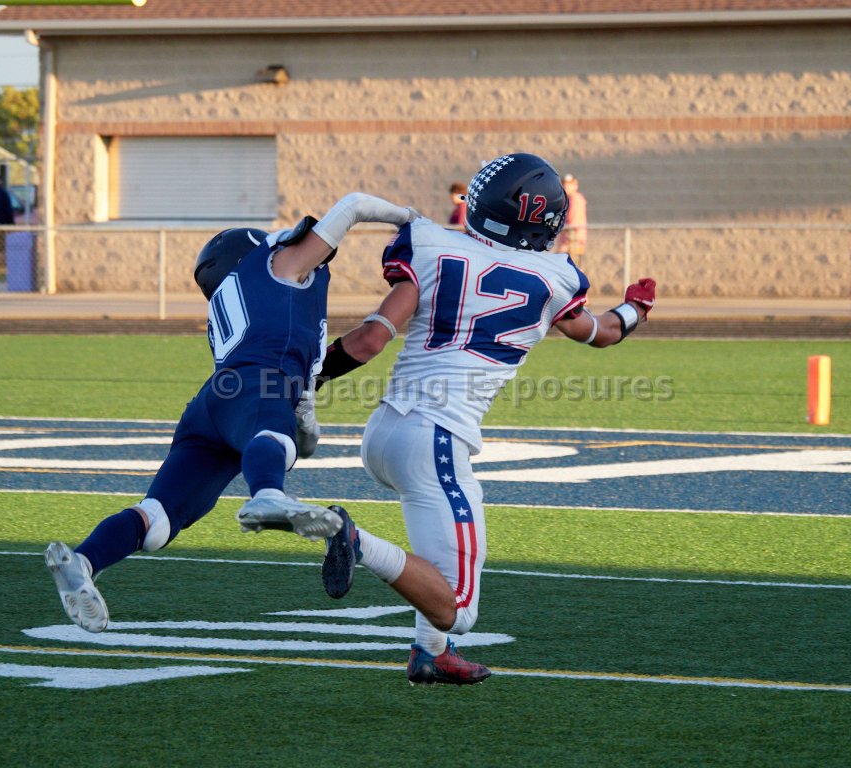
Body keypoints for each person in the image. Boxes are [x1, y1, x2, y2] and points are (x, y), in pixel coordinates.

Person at [314, 153, 656, 685]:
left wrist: (307, 379)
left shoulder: (431, 244)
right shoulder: (555, 277)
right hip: (436, 440)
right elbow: (602, 332)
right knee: (458, 607)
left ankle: (430, 654)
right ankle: (355, 541)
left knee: (438, 560)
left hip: (385, 432)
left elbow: (370, 340)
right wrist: (636, 308)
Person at [44, 192, 417, 633]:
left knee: (158, 518)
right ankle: (268, 495)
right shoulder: (274, 266)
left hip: (213, 406)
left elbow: (327, 385)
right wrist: (410, 219)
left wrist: (303, 414)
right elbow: (352, 205)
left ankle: (85, 561)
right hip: (256, 387)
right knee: (272, 438)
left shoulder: (238, 300)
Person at [554, 172, 587, 261]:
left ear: (575, 185)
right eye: (564, 184)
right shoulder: (568, 199)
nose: (566, 186)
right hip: (567, 241)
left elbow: (572, 223)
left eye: (569, 184)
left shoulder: (576, 199)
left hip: (573, 243)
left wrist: (564, 246)